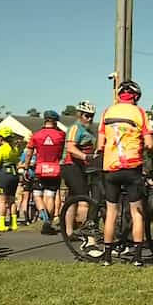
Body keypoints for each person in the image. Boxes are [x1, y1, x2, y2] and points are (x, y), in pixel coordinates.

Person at [96, 80, 153, 266]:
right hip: (132, 166)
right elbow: (150, 143)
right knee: (137, 211)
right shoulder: (140, 112)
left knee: (111, 211)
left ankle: (106, 256)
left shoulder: (107, 112)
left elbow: (100, 144)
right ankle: (137, 257)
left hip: (110, 168)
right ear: (136, 96)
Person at [24, 110, 66, 235]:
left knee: (37, 195)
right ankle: (49, 223)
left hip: (40, 168)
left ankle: (43, 214)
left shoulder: (36, 135)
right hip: (55, 168)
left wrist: (26, 167)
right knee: (50, 196)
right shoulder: (61, 135)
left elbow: (29, 152)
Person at [61, 100, 97, 237]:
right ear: (79, 114)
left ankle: (69, 232)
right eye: (86, 116)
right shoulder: (75, 128)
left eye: (92, 116)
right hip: (70, 165)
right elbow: (70, 148)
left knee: (73, 198)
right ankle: (85, 231)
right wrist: (85, 157)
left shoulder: (88, 130)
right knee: (84, 198)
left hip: (82, 167)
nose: (89, 119)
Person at [0, 127, 21, 232]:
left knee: (1, 200)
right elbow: (17, 160)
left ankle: (2, 224)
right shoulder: (14, 148)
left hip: (4, 174)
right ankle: (14, 223)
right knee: (12, 200)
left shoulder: (2, 149)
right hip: (14, 174)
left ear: (2, 138)